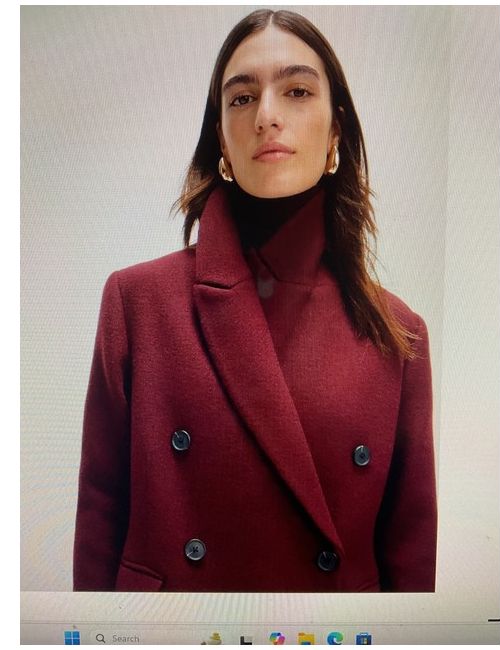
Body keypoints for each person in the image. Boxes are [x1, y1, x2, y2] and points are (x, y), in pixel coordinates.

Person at [73, 9, 437, 593]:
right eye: (241, 98)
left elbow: (410, 569)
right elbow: (99, 516)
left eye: (297, 91)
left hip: (333, 632)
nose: (267, 115)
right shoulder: (138, 303)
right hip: (172, 630)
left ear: (336, 132)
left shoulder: (398, 333)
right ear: (222, 138)